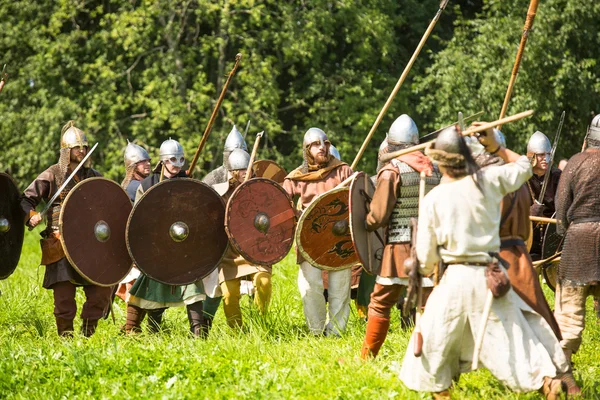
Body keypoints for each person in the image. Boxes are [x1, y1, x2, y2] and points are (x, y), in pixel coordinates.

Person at [399, 125, 568, 399]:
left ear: (441, 162)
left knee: (434, 336)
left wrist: (422, 268)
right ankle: (547, 382)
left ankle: (440, 392)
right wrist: (496, 147)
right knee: (512, 337)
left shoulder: (434, 199)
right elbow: (526, 166)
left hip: (454, 279)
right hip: (492, 276)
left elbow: (427, 256)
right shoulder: (489, 182)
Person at [20, 121, 112, 337]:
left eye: (84, 147)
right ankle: (66, 340)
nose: (82, 151)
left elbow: (109, 206)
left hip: (90, 244)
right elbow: (25, 199)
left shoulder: (94, 176)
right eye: (77, 147)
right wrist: (31, 215)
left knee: (101, 291)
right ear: (66, 150)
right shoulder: (52, 174)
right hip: (60, 242)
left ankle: (88, 334)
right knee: (64, 298)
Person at [360, 114, 441, 359]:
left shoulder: (392, 171)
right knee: (429, 304)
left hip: (399, 247)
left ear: (392, 143)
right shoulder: (435, 169)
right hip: (431, 247)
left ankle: (367, 356)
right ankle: (433, 357)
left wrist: (365, 220)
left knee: (381, 301)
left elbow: (379, 216)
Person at [125, 139, 208, 337]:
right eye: (172, 160)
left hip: (183, 247)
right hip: (158, 249)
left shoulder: (188, 184)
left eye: (181, 159)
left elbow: (198, 214)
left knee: (192, 286)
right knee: (151, 288)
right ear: (162, 161)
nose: (177, 164)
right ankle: (147, 330)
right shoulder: (148, 184)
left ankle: (199, 333)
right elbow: (139, 218)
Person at [283, 128, 353, 336]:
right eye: (315, 144)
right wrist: (298, 214)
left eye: (325, 143)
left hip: (339, 236)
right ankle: (315, 330)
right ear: (306, 149)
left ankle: (336, 331)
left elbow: (357, 199)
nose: (322, 147)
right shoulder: (296, 177)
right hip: (309, 238)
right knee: (310, 285)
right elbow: (280, 202)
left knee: (340, 286)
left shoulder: (342, 171)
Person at [553, 113, 600, 395]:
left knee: (569, 320)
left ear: (587, 137)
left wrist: (565, 234)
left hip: (578, 241)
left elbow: (561, 211)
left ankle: (565, 380)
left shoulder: (574, 163)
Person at [212, 148, 272, 329]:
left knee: (264, 282)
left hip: (256, 251)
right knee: (229, 296)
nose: (246, 173)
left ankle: (260, 324)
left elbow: (275, 214)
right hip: (230, 254)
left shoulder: (261, 191)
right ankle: (237, 332)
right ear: (232, 172)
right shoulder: (221, 194)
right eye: (241, 170)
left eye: (248, 169)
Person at [115, 141, 151, 304]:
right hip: (137, 243)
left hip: (138, 242)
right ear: (133, 165)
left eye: (148, 160)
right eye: (143, 162)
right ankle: (131, 327)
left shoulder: (133, 184)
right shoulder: (134, 186)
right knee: (137, 285)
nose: (148, 164)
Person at [526, 131, 561, 260]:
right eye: (541, 155)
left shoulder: (557, 177)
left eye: (548, 154)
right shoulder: (523, 178)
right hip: (529, 234)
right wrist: (528, 214)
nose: (546, 159)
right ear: (532, 156)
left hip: (552, 235)